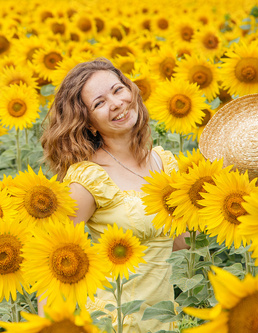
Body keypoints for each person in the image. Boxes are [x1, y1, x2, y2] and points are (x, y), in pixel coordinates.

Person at [41, 58, 188, 332]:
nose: (116, 103)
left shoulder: (164, 163)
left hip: (165, 322)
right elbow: (54, 263)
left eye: (118, 89)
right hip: (114, 322)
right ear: (90, 123)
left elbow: (180, 242)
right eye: (99, 103)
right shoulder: (88, 179)